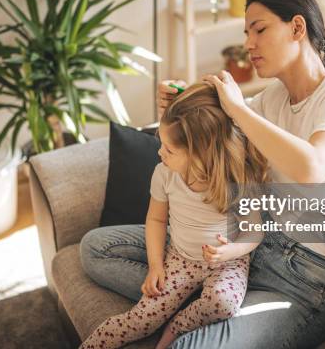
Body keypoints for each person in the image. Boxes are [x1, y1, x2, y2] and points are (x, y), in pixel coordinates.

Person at [81, 0, 325, 348]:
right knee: (96, 248)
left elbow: (312, 167)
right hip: (245, 247)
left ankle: (198, 305)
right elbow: (209, 133)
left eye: (260, 29)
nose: (249, 44)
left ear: (297, 28)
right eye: (246, 33)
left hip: (304, 279)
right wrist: (179, 101)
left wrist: (238, 108)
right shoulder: (275, 97)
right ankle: (195, 297)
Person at [80, 84, 269, 349]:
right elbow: (156, 220)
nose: (160, 153)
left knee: (223, 303)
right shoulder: (164, 173)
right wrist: (156, 266)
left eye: (169, 150)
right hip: (180, 258)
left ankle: (179, 323)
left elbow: (254, 231)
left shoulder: (237, 180)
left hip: (227, 263)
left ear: (201, 153)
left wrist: (232, 251)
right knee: (140, 319)